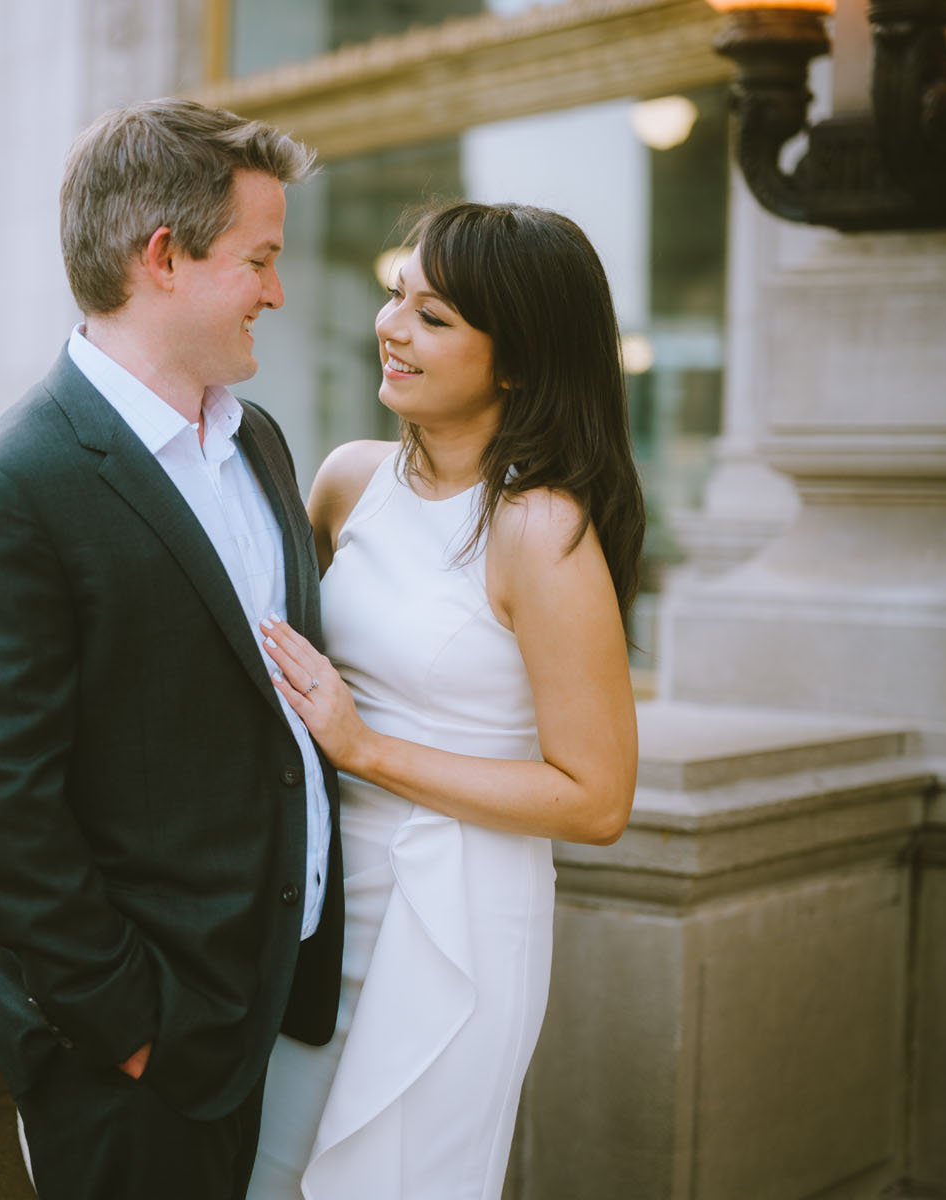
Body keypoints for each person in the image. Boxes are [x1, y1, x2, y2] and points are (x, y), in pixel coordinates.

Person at [0, 97, 344, 1200]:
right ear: (163, 258)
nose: (278, 292)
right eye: (259, 259)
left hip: (276, 1014)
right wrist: (131, 1025)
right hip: (139, 1057)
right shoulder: (4, 492)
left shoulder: (262, 445)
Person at [246, 201, 645, 1199]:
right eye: (395, 297)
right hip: (322, 899)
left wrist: (366, 749)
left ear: (513, 360)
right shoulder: (348, 480)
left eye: (434, 317)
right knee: (266, 1172)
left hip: (457, 917)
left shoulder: (539, 529)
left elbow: (597, 800)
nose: (393, 327)